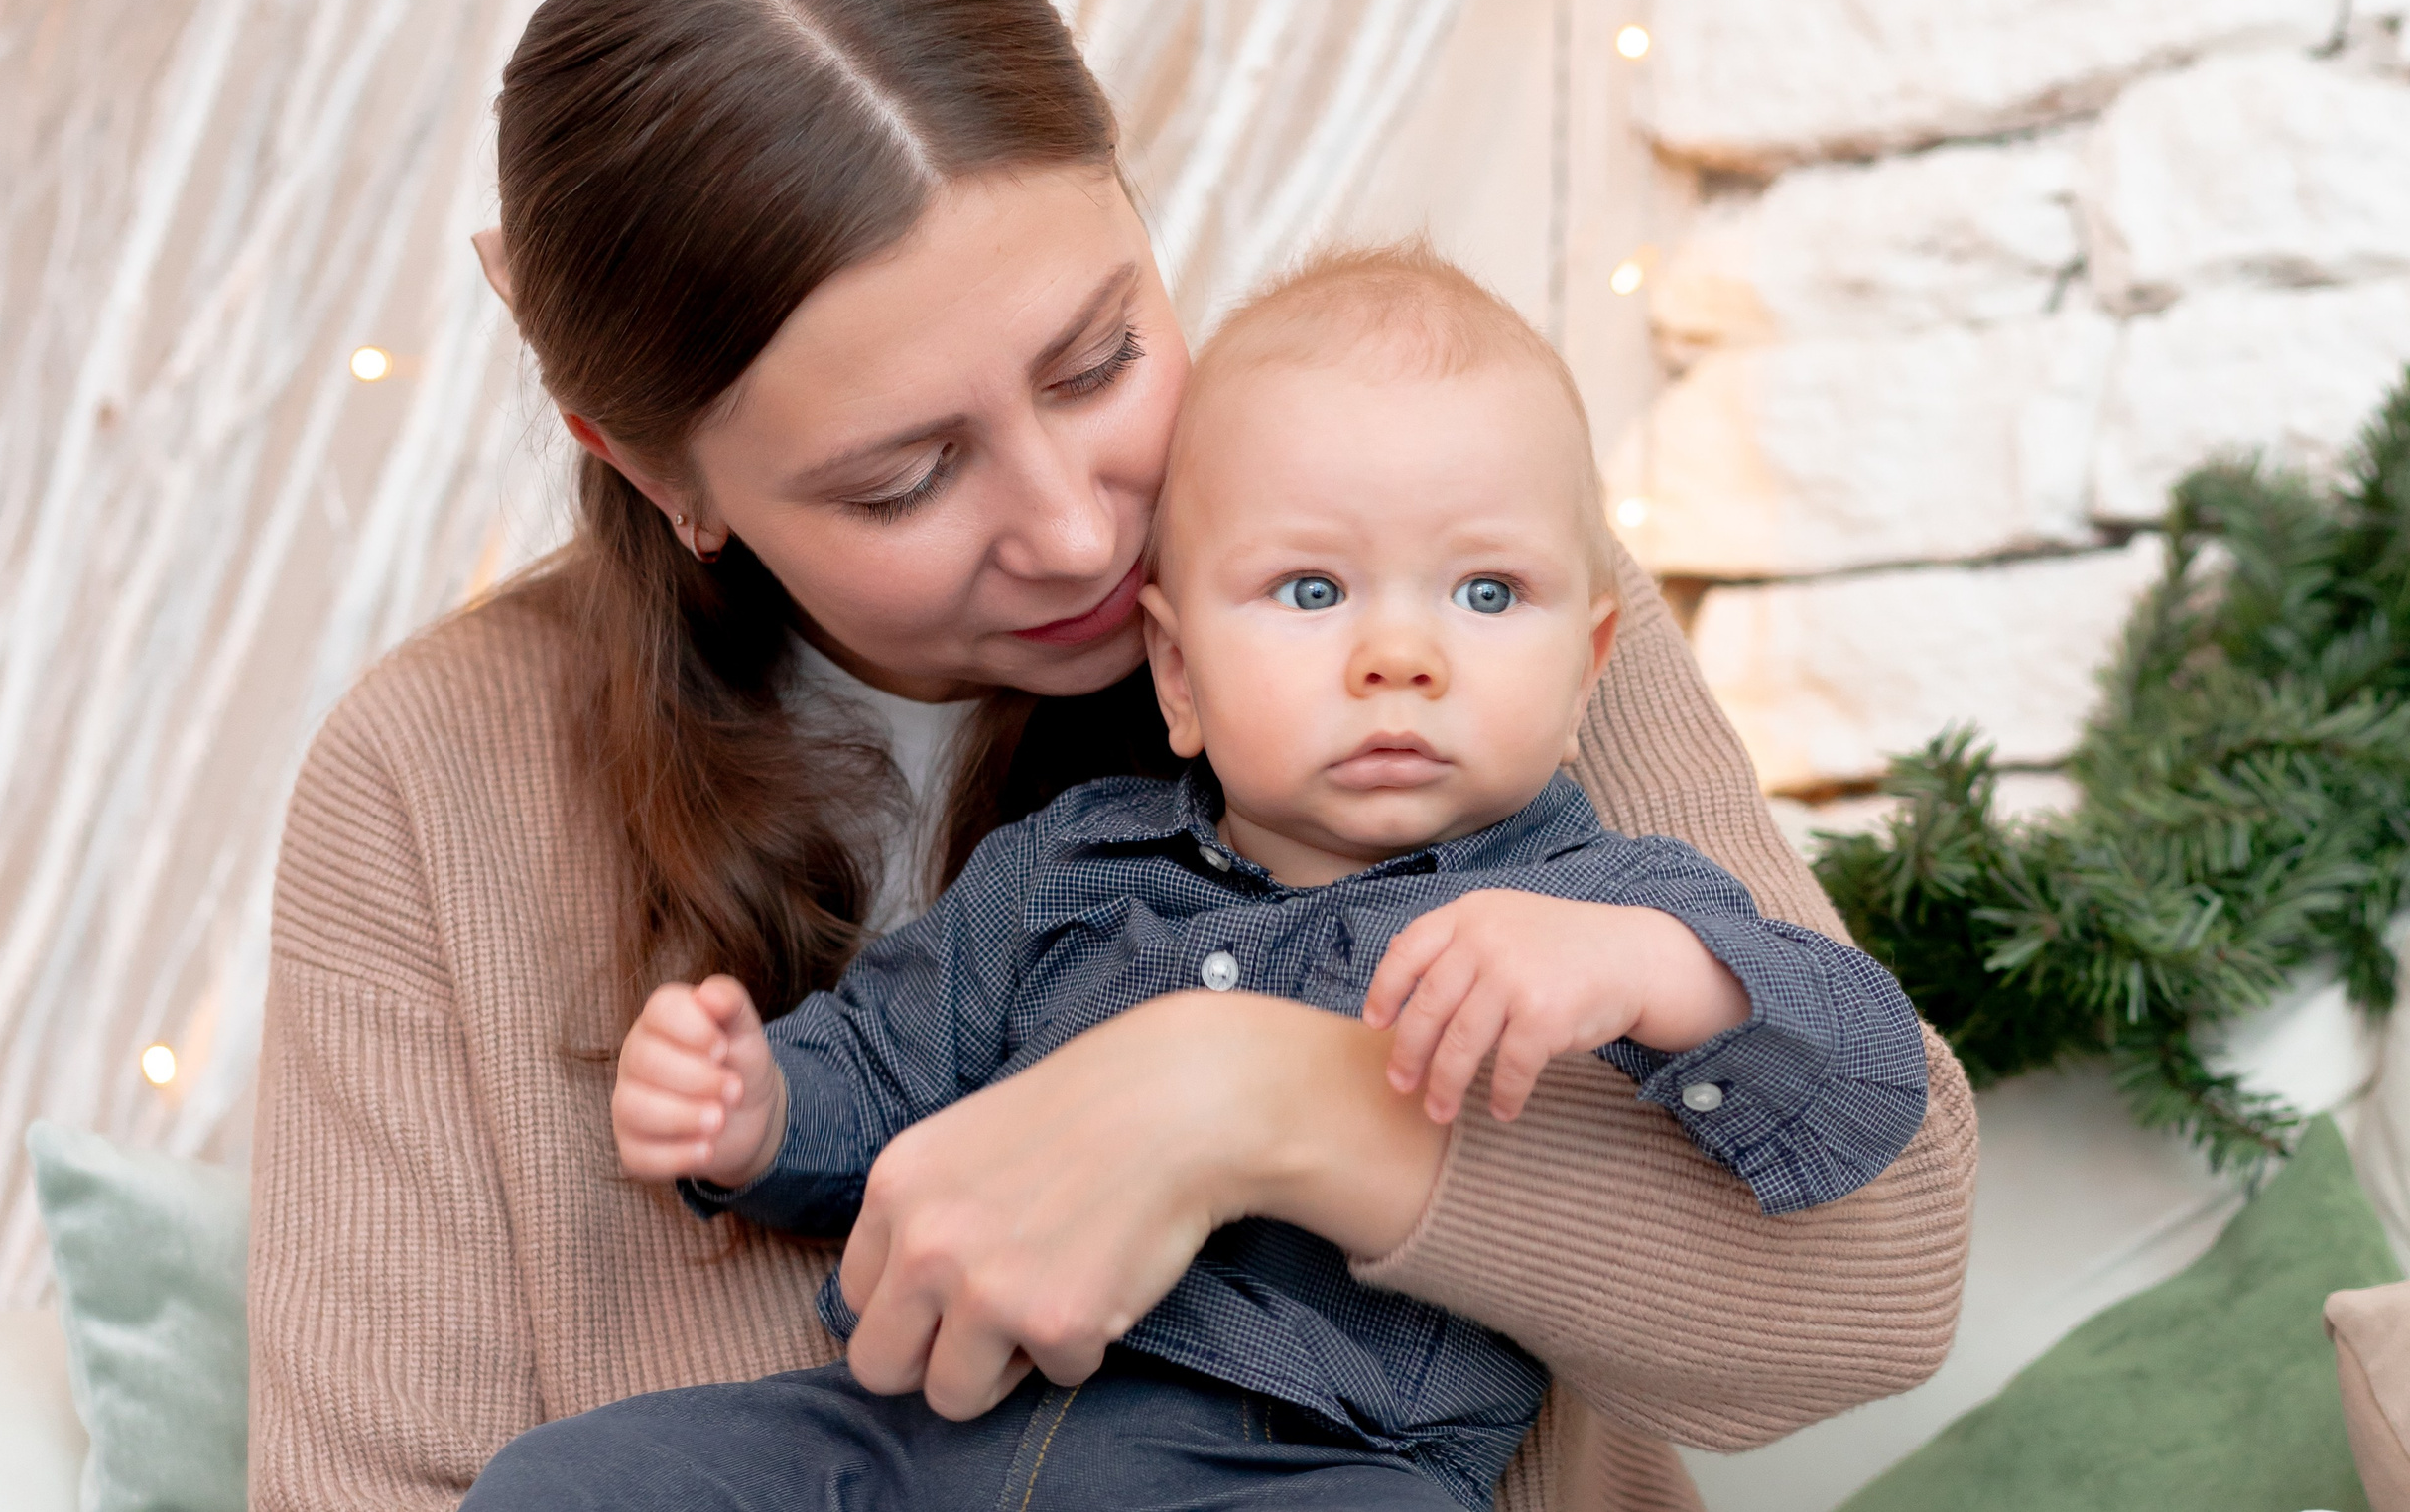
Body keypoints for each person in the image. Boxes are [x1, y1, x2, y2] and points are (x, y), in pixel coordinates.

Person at [247, 0, 1979, 1512]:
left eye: (1098, 360)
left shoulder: (1446, 602)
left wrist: (1249, 1099)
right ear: (654, 469)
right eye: (902, 480)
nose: (1081, 535)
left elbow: (1878, 1287)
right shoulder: (432, 780)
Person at [461, 247, 1932, 1512]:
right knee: (568, 1486)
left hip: (1313, 1464)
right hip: (927, 1444)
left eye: (1488, 597)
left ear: (1587, 665)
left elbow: (1867, 1088)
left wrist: (1664, 980)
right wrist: (753, 1104)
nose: (1400, 653)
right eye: (1312, 592)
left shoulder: (1602, 904)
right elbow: (882, 1065)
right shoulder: (1065, 868)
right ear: (1177, 669)